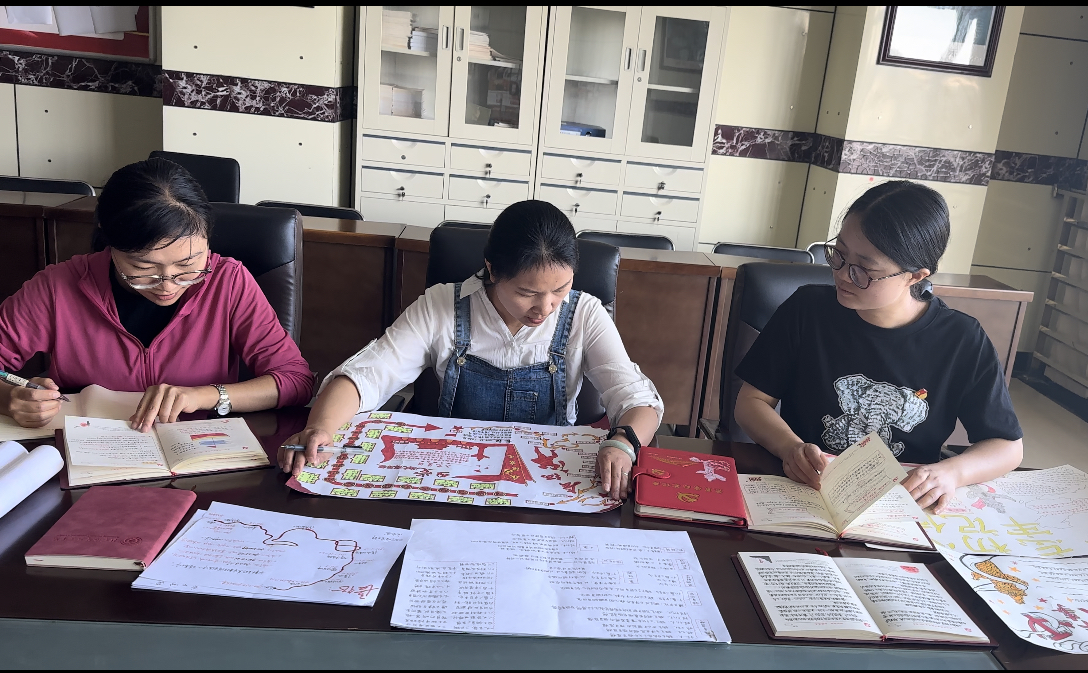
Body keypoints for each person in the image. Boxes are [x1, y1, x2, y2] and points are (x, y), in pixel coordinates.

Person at [281, 200, 663, 498]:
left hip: (547, 480)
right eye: (526, 293)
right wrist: (321, 426)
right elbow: (369, 374)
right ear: (492, 270)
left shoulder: (583, 313)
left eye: (559, 290)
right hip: (454, 478)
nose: (545, 308)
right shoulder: (443, 306)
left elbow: (637, 399)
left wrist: (623, 442)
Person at [733, 180, 1023, 512]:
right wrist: (790, 449)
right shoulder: (807, 310)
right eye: (839, 254)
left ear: (915, 276)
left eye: (864, 269)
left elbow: (1007, 446)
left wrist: (951, 472)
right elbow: (751, 401)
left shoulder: (960, 339)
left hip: (904, 503)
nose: (843, 274)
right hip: (806, 490)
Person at [0, 158, 315, 430]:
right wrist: (10, 398)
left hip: (199, 454)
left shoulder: (228, 282)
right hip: (87, 451)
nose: (168, 285)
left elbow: (295, 380)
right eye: (143, 267)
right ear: (109, 241)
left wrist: (204, 395)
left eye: (188, 265)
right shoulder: (57, 287)